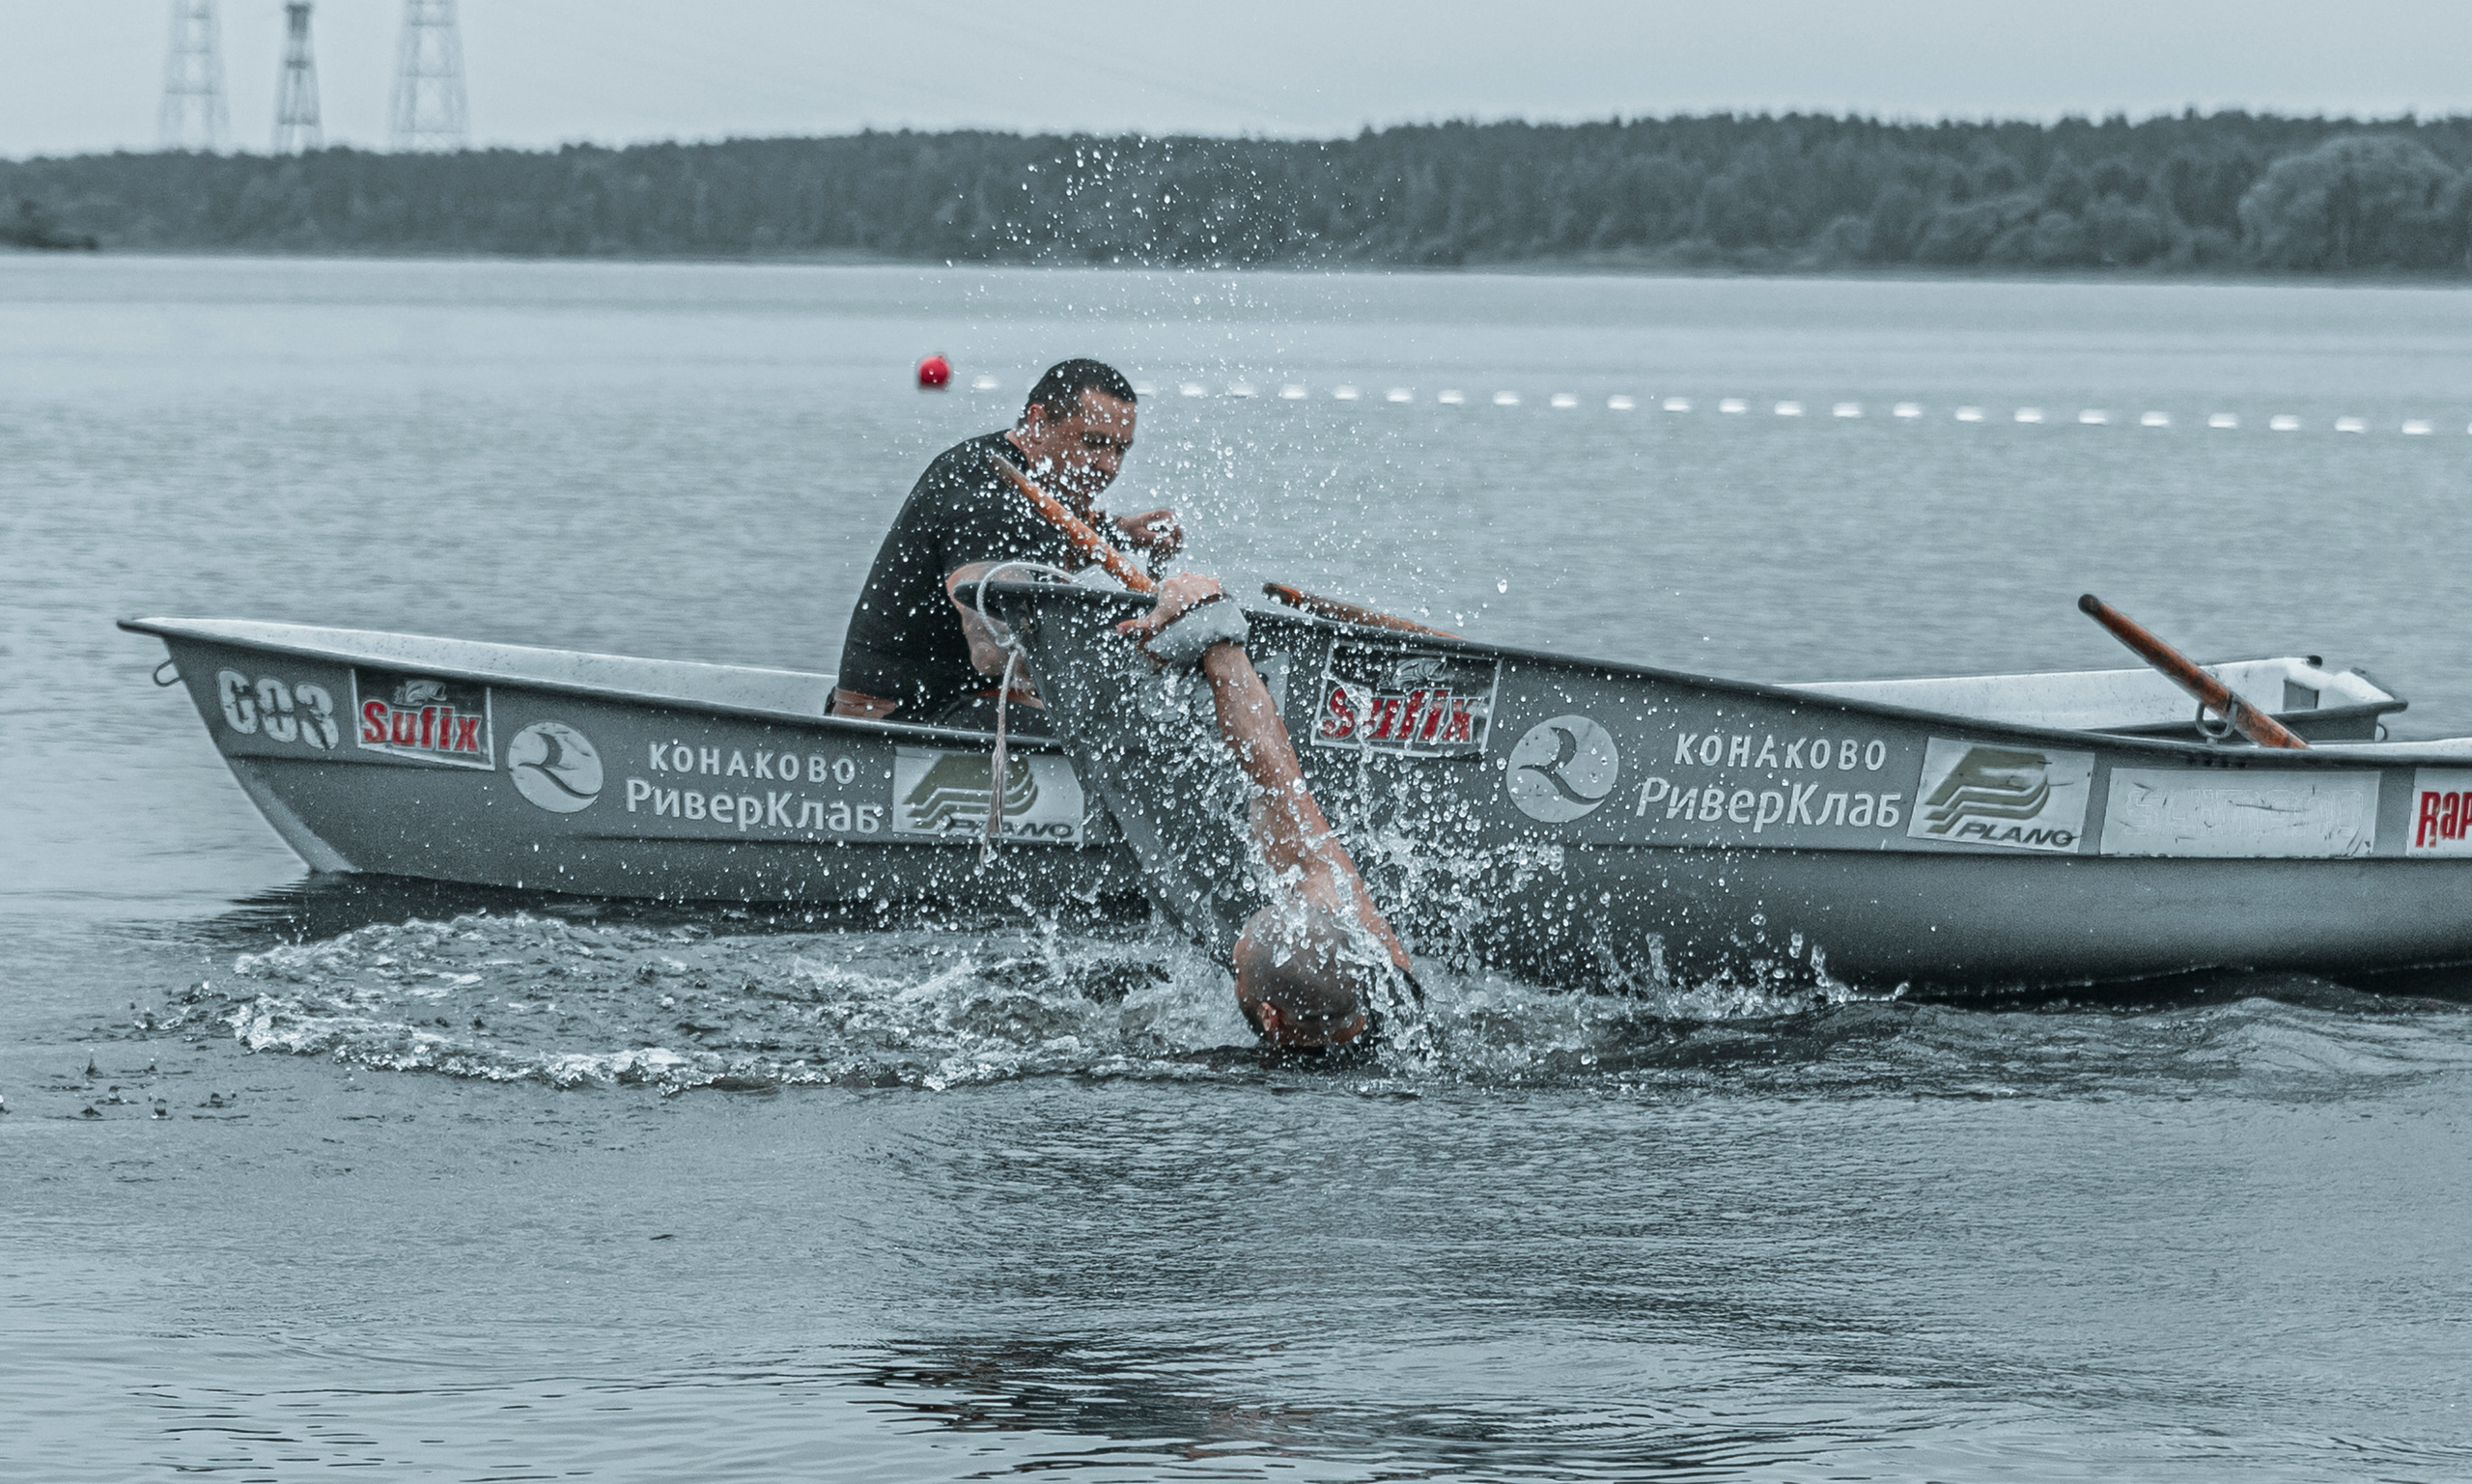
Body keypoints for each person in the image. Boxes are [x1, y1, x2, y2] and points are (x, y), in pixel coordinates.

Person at [1117, 571, 1417, 1050]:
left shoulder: (1401, 1007)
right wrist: (1212, 634)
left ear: (1271, 1018)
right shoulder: (1402, 1013)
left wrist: (1213, 629)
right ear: (1374, 969)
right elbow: (1280, 790)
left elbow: (1278, 777)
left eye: (1237, 967)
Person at [829, 359, 1184, 722]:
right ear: (1039, 422)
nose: (1109, 466)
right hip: (900, 718)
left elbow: (1036, 554)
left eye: (1120, 450)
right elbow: (991, 652)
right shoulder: (985, 499)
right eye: (1094, 443)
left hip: (966, 699)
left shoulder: (1036, 478)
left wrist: (1120, 531)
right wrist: (1127, 653)